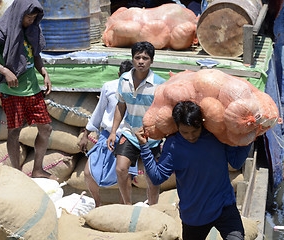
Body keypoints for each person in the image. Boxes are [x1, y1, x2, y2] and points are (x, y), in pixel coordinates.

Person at [135, 101, 252, 240]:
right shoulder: (173, 146)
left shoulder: (216, 135)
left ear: (202, 123)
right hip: (194, 215)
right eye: (185, 132)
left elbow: (236, 162)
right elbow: (156, 177)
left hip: (224, 206)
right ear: (177, 127)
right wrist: (144, 146)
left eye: (195, 130)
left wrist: (249, 137)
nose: (190, 136)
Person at [0, 0, 56, 180]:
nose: (30, 21)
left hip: (32, 89)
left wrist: (44, 72)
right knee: (14, 131)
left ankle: (37, 168)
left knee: (45, 128)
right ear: (18, 15)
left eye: (33, 18)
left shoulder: (32, 30)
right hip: (12, 91)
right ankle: (17, 172)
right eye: (27, 18)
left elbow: (36, 53)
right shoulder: (2, 31)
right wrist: (5, 71)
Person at [107, 41, 166, 205]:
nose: (141, 61)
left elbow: (163, 113)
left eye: (145, 58)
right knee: (120, 168)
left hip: (151, 138)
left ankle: (153, 207)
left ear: (151, 61)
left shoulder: (159, 84)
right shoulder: (123, 80)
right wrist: (113, 132)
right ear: (132, 59)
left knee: (153, 178)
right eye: (137, 57)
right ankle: (127, 205)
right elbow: (120, 106)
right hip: (129, 133)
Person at [79, 60, 138, 207]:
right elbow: (98, 112)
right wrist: (86, 134)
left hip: (127, 138)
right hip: (107, 136)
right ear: (118, 75)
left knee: (125, 177)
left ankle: (123, 208)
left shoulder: (140, 90)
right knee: (88, 172)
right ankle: (97, 203)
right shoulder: (109, 87)